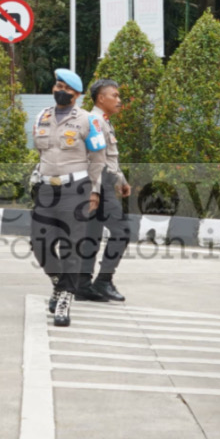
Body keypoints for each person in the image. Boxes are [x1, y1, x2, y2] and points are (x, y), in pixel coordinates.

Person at [30, 69, 106, 326]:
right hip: (46, 189)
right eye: (57, 85)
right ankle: (59, 282)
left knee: (71, 246)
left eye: (65, 87)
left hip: (76, 190)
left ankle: (64, 297)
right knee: (39, 243)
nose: (59, 90)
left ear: (77, 94)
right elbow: (42, 154)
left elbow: (98, 158)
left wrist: (94, 190)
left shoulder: (88, 121)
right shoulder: (42, 116)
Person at [84, 79, 135, 302]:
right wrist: (95, 191)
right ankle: (103, 281)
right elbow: (93, 161)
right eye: (114, 95)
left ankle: (82, 285)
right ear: (101, 98)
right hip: (99, 183)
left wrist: (121, 180)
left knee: (91, 236)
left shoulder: (102, 121)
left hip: (104, 181)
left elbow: (108, 158)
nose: (119, 100)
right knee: (122, 231)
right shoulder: (94, 121)